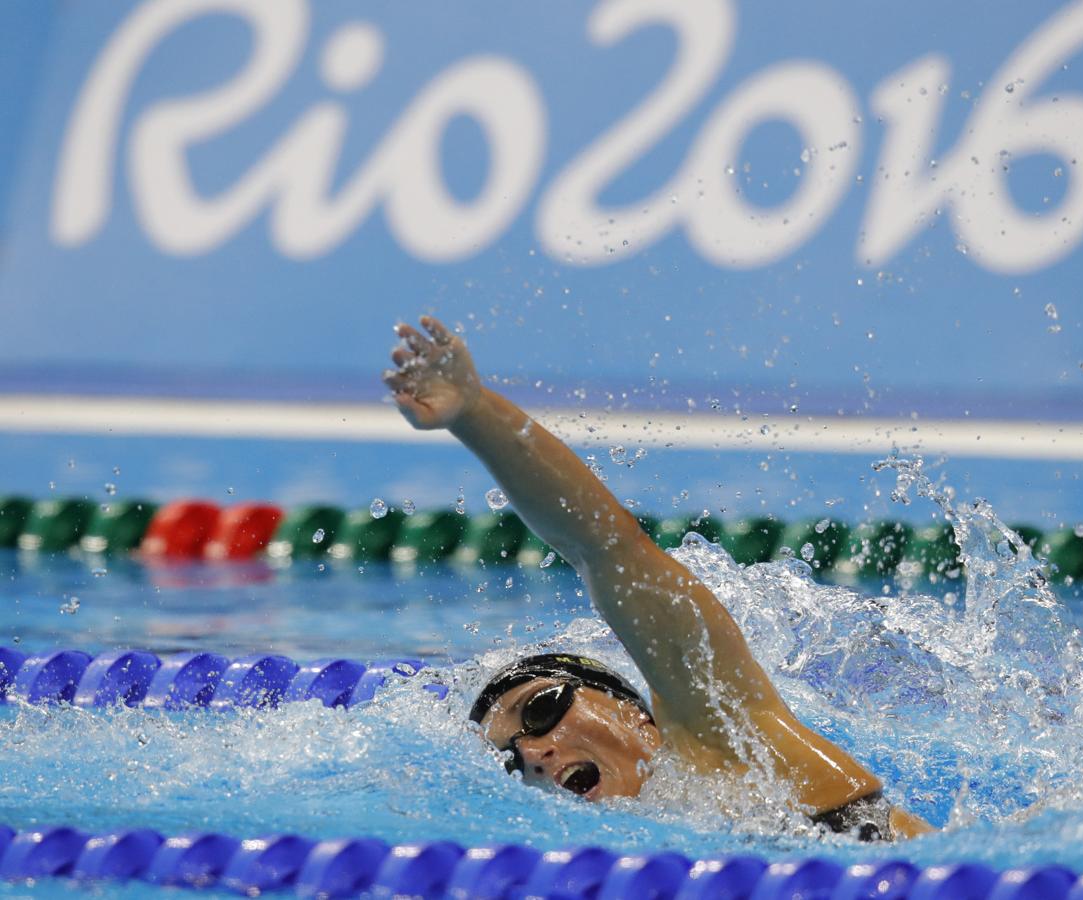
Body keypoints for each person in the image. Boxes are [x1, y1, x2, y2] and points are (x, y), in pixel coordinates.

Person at [383, 316, 932, 841]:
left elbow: (603, 546)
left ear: (632, 709)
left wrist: (474, 413)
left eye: (543, 708)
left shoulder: (725, 737)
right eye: (510, 762)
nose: (532, 754)